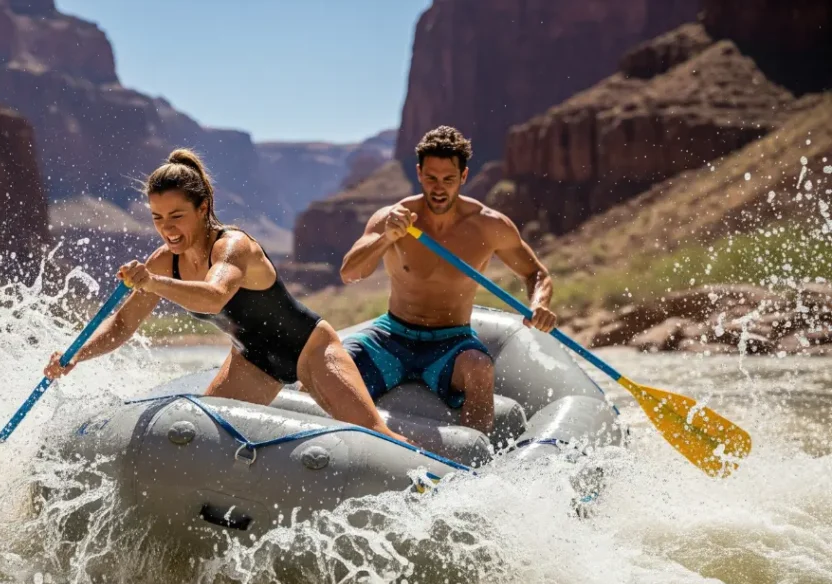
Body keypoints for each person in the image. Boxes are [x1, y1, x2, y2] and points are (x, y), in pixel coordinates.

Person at [44, 148, 406, 443]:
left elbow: (215, 296)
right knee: (200, 441)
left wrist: (153, 283)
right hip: (252, 360)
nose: (166, 229)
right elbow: (123, 323)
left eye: (176, 216)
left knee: (374, 436)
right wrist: (77, 354)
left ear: (203, 208)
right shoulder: (164, 262)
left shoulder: (233, 246)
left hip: (308, 349)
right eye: (156, 217)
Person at [339, 125, 557, 435]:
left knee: (480, 368)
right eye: (430, 178)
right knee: (334, 365)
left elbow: (535, 273)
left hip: (450, 343)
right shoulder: (393, 217)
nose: (438, 188)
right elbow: (350, 272)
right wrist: (386, 238)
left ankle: (474, 463)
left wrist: (539, 304)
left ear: (464, 177)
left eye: (448, 179)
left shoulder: (489, 226)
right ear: (418, 173)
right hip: (392, 336)